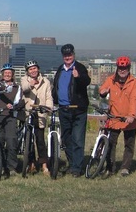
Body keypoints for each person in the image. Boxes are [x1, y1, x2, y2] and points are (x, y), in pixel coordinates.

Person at [52, 43, 91, 177]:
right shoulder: (60, 69)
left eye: (69, 55)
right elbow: (55, 87)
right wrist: (54, 100)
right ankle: (73, 162)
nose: (67, 57)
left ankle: (76, 169)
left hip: (78, 109)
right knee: (66, 139)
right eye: (65, 55)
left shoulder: (79, 67)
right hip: (63, 109)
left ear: (73, 54)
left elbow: (87, 81)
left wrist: (78, 77)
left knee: (78, 139)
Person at [99, 56, 136, 177]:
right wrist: (103, 91)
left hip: (129, 118)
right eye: (120, 68)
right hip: (114, 117)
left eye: (125, 68)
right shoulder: (111, 79)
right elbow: (102, 89)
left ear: (128, 68)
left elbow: (134, 99)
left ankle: (125, 167)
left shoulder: (134, 82)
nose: (122, 70)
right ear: (117, 68)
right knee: (111, 144)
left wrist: (132, 115)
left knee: (129, 144)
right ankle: (110, 168)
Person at [20, 60, 53, 176]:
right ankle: (31, 163)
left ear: (38, 69)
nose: (33, 71)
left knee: (40, 140)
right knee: (29, 140)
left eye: (34, 68)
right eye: (30, 69)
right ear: (27, 72)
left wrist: (48, 107)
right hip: (29, 112)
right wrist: (31, 84)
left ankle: (44, 165)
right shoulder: (25, 80)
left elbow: (48, 97)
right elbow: (24, 88)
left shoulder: (46, 81)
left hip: (40, 113)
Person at [0, 63, 22, 177]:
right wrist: (5, 88)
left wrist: (14, 106)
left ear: (13, 74)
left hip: (10, 116)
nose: (7, 74)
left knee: (11, 141)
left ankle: (12, 167)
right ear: (2, 74)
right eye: (5, 73)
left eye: (9, 73)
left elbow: (18, 100)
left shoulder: (17, 87)